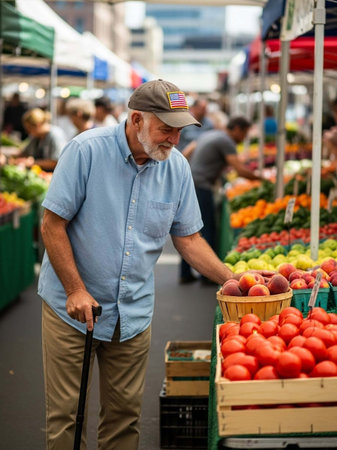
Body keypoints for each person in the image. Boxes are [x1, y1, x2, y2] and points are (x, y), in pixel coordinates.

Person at [38, 80, 271, 449]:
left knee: (124, 418)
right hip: (72, 310)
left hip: (132, 313)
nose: (174, 139)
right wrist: (75, 289)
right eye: (166, 128)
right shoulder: (85, 151)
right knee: (67, 415)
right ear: (136, 120)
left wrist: (235, 279)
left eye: (179, 130)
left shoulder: (176, 168)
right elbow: (52, 224)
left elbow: (189, 239)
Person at [180, 116, 264, 285]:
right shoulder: (227, 142)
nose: (244, 138)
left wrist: (183, 168)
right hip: (202, 186)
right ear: (237, 129)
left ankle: (185, 273)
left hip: (192, 182)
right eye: (245, 133)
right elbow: (239, 170)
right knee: (205, 230)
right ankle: (207, 276)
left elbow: (188, 150)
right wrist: (261, 179)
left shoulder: (212, 134)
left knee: (186, 229)